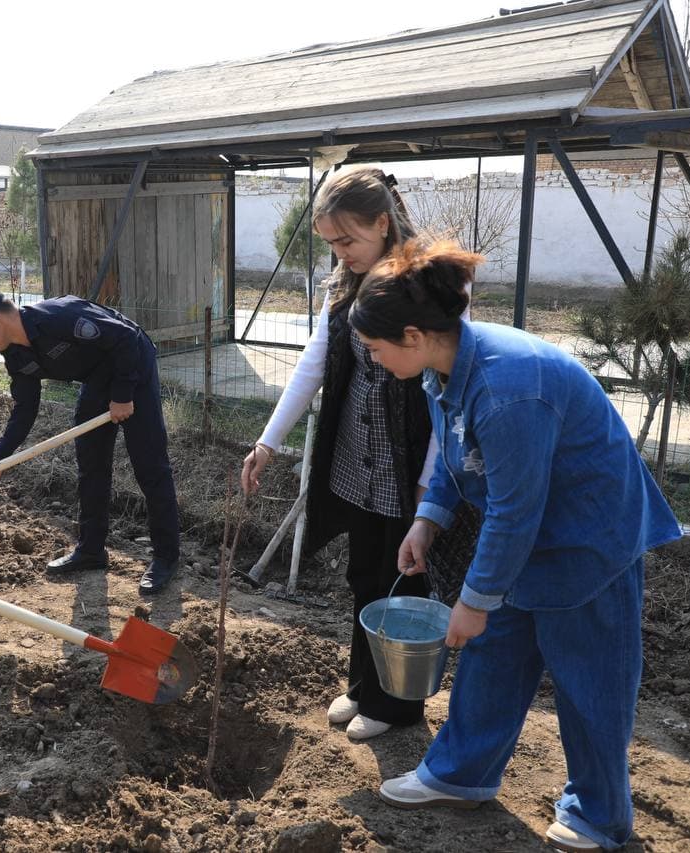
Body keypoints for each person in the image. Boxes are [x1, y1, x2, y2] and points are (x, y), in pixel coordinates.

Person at [350, 242, 681, 853]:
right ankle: (460, 773)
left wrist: (474, 601)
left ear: (415, 334)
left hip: (589, 537)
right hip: (531, 532)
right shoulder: (443, 369)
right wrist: (428, 519)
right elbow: (459, 454)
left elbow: (513, 511)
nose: (372, 360)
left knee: (589, 679)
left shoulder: (508, 390)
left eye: (375, 349)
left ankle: (601, 815)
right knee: (493, 654)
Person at [240, 165, 470, 741]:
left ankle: (399, 707)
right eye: (331, 243)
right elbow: (313, 363)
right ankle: (364, 686)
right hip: (354, 460)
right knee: (364, 574)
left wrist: (428, 484)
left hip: (407, 464)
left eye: (348, 240)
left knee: (404, 584)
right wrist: (269, 441)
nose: (340, 253)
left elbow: (448, 392)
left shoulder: (430, 285)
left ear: (382, 223)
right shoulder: (342, 285)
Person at [0, 286, 181, 594]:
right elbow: (25, 408)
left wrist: (123, 394)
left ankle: (166, 556)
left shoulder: (60, 317)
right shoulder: (16, 355)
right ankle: (91, 550)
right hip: (97, 379)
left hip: (132, 365)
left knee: (149, 464)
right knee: (91, 464)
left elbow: (126, 339)